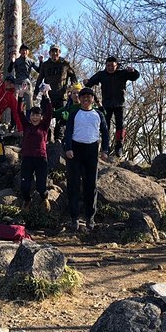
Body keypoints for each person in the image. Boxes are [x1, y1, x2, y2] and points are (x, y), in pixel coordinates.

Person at [64, 87, 111, 231]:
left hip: (91, 150)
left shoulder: (98, 114)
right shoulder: (74, 113)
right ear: (80, 99)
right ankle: (74, 218)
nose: (85, 99)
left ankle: (90, 218)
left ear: (93, 99)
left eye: (88, 97)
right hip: (75, 151)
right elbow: (68, 131)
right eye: (83, 96)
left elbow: (105, 131)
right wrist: (68, 148)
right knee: (73, 184)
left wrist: (105, 149)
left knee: (91, 185)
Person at [84, 56, 140, 157]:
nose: (110, 68)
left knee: (120, 126)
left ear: (116, 65)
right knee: (105, 126)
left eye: (112, 66)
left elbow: (136, 76)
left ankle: (119, 147)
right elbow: (90, 83)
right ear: (106, 66)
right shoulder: (102, 74)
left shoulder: (122, 73)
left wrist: (133, 71)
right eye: (108, 66)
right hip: (107, 104)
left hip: (119, 104)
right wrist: (86, 82)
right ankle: (105, 147)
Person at [17, 81, 53, 212]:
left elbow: (49, 112)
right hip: (27, 158)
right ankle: (27, 201)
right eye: (33, 115)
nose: (35, 117)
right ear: (30, 116)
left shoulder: (44, 127)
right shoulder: (26, 126)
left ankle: (44, 198)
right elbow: (19, 112)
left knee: (41, 187)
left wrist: (46, 96)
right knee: (24, 187)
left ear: (41, 117)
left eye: (37, 115)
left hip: (41, 159)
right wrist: (20, 96)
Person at [34, 44, 77, 141]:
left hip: (62, 95)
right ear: (49, 53)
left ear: (59, 52)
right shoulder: (45, 65)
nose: (55, 53)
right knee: (45, 116)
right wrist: (36, 93)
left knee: (61, 118)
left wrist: (72, 88)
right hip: (48, 95)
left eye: (56, 51)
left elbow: (73, 76)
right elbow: (39, 79)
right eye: (53, 51)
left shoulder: (65, 64)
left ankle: (59, 138)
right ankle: (46, 137)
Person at [0, 47, 23, 133]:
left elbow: (16, 113)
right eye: (7, 81)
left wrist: (21, 129)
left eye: (11, 83)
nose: (8, 84)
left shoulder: (11, 97)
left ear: (13, 84)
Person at [7, 44, 40, 111]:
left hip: (27, 83)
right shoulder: (16, 61)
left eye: (25, 50)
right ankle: (15, 119)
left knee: (29, 102)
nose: (24, 51)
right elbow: (9, 70)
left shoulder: (31, 61)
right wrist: (12, 62)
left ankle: (29, 119)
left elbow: (38, 70)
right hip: (18, 83)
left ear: (28, 52)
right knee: (15, 101)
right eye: (22, 50)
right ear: (19, 51)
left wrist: (41, 62)